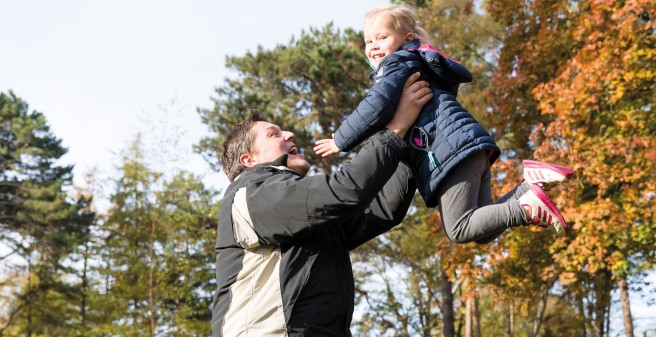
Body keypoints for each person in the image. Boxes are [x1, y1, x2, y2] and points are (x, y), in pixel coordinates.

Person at [314, 4, 574, 244]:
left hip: (450, 153)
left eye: (382, 37)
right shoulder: (420, 65)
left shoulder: (396, 64)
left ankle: (524, 207)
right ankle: (528, 188)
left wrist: (341, 140)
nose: (373, 46)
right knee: (483, 230)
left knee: (459, 228)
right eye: (368, 41)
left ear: (407, 38)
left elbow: (376, 105)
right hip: (469, 147)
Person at [211, 73, 433, 337]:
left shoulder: (296, 213)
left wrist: (409, 142)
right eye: (274, 134)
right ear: (249, 160)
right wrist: (394, 130)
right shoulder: (252, 192)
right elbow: (344, 190)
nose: (290, 134)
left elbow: (381, 209)